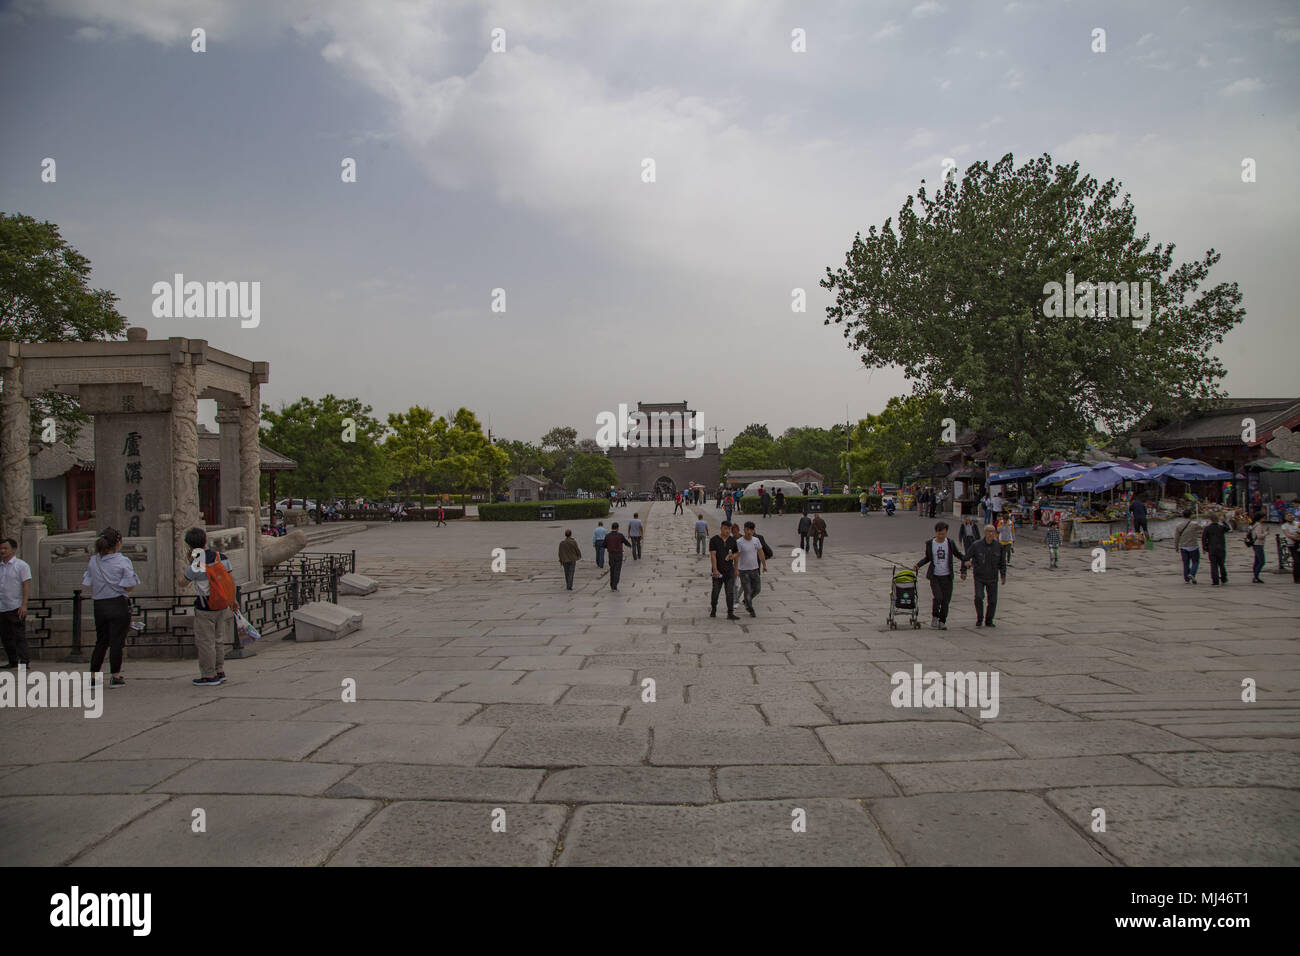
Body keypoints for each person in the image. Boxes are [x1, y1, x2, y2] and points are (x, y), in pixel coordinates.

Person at [177, 527, 235, 686]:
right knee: (218, 639)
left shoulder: (196, 564)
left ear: (189, 545)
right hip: (222, 604)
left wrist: (187, 564)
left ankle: (209, 675)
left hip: (205, 607)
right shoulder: (221, 557)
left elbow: (182, 582)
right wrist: (233, 600)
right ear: (205, 540)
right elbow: (230, 580)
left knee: (205, 642)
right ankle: (219, 670)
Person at [83, 527, 140, 688]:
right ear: (118, 543)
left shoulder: (93, 560)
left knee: (101, 641)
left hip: (99, 604)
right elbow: (129, 586)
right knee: (117, 642)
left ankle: (93, 676)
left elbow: (88, 582)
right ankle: (115, 676)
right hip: (118, 603)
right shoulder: (122, 561)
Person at [913, 521, 966, 630]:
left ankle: (942, 621)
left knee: (946, 600)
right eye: (939, 534)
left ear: (946, 532)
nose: (941, 536)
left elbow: (957, 554)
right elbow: (928, 557)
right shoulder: (930, 544)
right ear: (935, 532)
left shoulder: (950, 543)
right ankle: (935, 616)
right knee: (938, 597)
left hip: (947, 576)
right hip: (935, 575)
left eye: (943, 533)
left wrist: (966, 560)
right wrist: (918, 565)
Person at [964, 523, 1007, 627]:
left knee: (992, 601)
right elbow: (966, 558)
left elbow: (1002, 562)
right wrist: (964, 569)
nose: (990, 534)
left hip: (992, 577)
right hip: (979, 576)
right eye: (988, 531)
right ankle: (979, 618)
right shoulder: (976, 545)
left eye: (992, 531)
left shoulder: (999, 546)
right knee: (979, 597)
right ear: (984, 532)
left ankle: (989, 620)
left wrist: (1003, 575)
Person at [0, 537, 32, 670]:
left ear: (13, 549)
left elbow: (26, 585)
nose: (2, 551)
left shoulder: (21, 566)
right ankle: (12, 660)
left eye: (5, 548)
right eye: (1, 548)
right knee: (5, 636)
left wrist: (24, 604)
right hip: (2, 605)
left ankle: (24, 661)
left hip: (15, 605)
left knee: (19, 635)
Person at [734, 521, 767, 617]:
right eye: (747, 529)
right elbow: (737, 556)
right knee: (747, 590)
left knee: (757, 589)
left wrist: (764, 565)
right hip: (743, 570)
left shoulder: (756, 540)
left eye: (751, 530)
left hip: (754, 569)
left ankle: (746, 601)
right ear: (744, 529)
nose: (748, 532)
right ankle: (750, 609)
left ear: (753, 531)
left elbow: (760, 552)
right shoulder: (739, 542)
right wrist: (736, 569)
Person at [709, 521, 739, 619]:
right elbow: (713, 555)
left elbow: (737, 554)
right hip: (718, 571)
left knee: (730, 592)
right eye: (725, 528)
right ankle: (713, 609)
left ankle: (730, 613)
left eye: (729, 529)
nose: (727, 531)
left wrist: (735, 567)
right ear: (721, 528)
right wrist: (715, 570)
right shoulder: (714, 540)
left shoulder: (732, 540)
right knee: (715, 592)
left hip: (729, 571)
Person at [1174, 508, 1203, 585]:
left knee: (1185, 563)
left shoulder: (1178, 525)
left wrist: (1176, 546)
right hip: (1193, 545)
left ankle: (1186, 578)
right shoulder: (1194, 524)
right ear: (1190, 515)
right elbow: (1201, 528)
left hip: (1183, 546)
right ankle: (1192, 573)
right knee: (1195, 562)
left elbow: (1176, 537)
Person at [1201, 512, 1230, 586]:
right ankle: (1224, 578)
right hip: (1221, 548)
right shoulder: (1221, 527)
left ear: (1210, 520)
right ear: (1217, 520)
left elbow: (1204, 538)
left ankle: (1215, 580)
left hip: (1212, 548)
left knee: (1213, 565)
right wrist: (1223, 521)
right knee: (1221, 564)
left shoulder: (1207, 528)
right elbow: (1228, 528)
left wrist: (1204, 547)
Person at [604, 522, 629, 590]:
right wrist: (630, 545)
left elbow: (604, 545)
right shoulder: (620, 535)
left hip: (611, 554)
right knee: (617, 570)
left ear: (612, 528)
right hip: (618, 554)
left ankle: (612, 584)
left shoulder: (608, 536)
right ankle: (615, 584)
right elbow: (625, 542)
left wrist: (608, 546)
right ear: (618, 528)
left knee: (612, 569)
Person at [1247, 511, 1269, 583]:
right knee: (1261, 561)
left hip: (1255, 544)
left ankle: (1255, 576)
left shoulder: (1254, 525)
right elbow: (1259, 536)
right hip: (1258, 544)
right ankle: (1256, 576)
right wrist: (1266, 533)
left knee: (1257, 561)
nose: (1264, 519)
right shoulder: (1258, 525)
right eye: (1263, 518)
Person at [1281, 511, 1300, 583]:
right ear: (1285, 518)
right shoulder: (1284, 525)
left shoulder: (1297, 523)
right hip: (1292, 545)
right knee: (1297, 561)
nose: (1290, 516)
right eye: (1288, 515)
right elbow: (1288, 535)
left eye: (1291, 515)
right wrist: (1296, 538)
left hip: (1298, 544)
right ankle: (1296, 577)